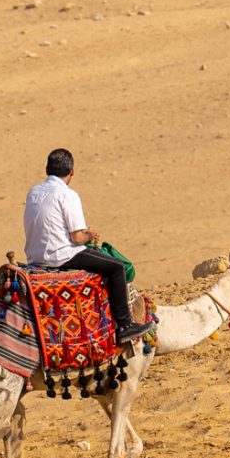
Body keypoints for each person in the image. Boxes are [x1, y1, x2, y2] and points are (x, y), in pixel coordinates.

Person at [22, 147, 158, 343]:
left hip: (35, 256)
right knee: (117, 267)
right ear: (72, 172)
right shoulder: (67, 194)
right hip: (61, 256)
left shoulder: (33, 192)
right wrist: (90, 235)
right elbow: (77, 237)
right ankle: (125, 326)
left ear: (47, 169)